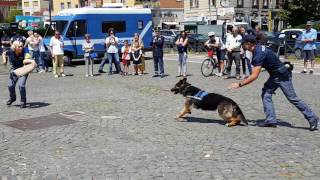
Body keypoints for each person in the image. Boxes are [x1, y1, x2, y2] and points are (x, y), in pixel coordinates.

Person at [228, 35, 319, 131]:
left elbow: (254, 76)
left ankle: (313, 118)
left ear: (249, 44)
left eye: (243, 44)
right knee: (266, 93)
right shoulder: (259, 48)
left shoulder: (258, 54)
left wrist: (239, 84)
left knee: (293, 98)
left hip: (282, 76)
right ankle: (271, 120)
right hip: (275, 75)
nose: (242, 46)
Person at [5, 41, 34, 108]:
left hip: (23, 69)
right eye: (19, 46)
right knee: (10, 85)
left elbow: (28, 59)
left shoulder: (25, 52)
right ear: (15, 47)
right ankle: (12, 98)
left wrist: (29, 60)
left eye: (22, 46)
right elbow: (4, 53)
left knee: (21, 85)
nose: (21, 48)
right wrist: (4, 60)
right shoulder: (10, 51)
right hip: (14, 70)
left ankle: (23, 101)